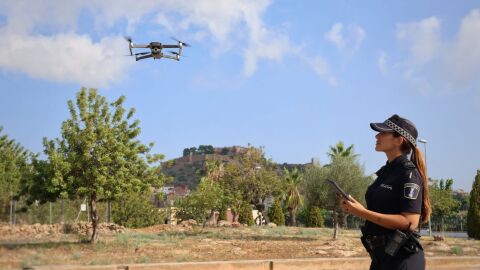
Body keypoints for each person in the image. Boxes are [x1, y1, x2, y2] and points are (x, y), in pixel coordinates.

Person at [339, 114, 431, 270]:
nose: (377, 135)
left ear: (399, 140)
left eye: (383, 132)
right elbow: (384, 211)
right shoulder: (386, 172)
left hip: (402, 260)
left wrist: (362, 213)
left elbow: (409, 222)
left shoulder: (408, 174)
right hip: (382, 259)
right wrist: (357, 208)